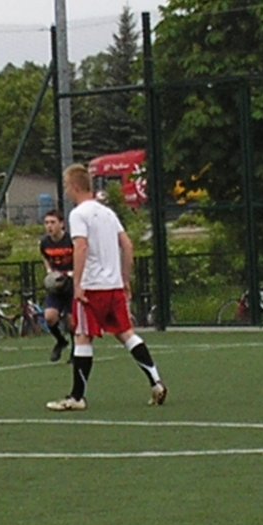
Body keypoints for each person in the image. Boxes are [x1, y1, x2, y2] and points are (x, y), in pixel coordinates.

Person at [46, 164, 167, 412]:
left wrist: (78, 285)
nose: (66, 191)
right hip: (113, 287)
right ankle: (156, 382)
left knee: (82, 337)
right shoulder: (108, 213)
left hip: (92, 288)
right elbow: (128, 246)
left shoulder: (79, 214)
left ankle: (77, 397)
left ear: (75, 186)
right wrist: (125, 280)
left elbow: (81, 247)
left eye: (67, 186)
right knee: (126, 334)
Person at [39, 209, 74, 363]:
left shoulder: (71, 240)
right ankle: (61, 341)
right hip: (56, 286)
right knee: (50, 317)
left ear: (62, 224)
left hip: (71, 284)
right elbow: (45, 257)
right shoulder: (45, 243)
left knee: (72, 322)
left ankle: (75, 351)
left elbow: (82, 257)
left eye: (53, 222)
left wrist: (72, 273)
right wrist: (49, 272)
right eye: (46, 223)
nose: (49, 226)